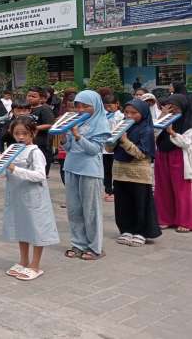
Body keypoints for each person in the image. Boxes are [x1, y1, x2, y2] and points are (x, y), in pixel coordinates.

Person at [1, 116, 59, 281]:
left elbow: (40, 175)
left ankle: (35, 264)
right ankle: (23, 260)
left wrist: (14, 169)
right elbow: (6, 169)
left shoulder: (35, 152)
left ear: (32, 133)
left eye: (24, 133)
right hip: (18, 196)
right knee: (22, 227)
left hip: (34, 198)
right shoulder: (12, 149)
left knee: (36, 228)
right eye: (17, 133)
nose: (20, 137)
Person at [62, 90, 110, 261]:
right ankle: (78, 244)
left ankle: (95, 247)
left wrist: (77, 135)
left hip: (90, 170)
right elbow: (67, 148)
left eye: (85, 106)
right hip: (71, 168)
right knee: (74, 210)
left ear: (95, 106)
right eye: (78, 106)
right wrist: (63, 136)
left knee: (90, 210)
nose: (81, 109)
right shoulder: (74, 121)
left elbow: (94, 150)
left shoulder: (101, 123)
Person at [109, 99, 161, 246]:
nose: (129, 115)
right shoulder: (121, 126)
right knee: (122, 204)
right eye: (126, 112)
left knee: (140, 204)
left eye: (134, 113)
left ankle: (141, 232)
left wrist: (124, 140)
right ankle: (126, 229)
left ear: (143, 113)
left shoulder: (147, 130)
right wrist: (113, 138)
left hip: (138, 174)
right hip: (120, 171)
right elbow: (108, 149)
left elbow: (141, 154)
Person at [155, 94, 192, 233]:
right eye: (169, 107)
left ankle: (185, 221)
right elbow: (152, 134)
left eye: (175, 107)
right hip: (162, 155)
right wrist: (162, 117)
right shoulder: (164, 118)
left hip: (179, 158)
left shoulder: (188, 123)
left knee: (181, 190)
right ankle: (165, 219)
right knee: (163, 188)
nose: (173, 110)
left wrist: (171, 132)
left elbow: (186, 143)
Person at [27, 87, 56, 176]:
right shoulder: (26, 108)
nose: (30, 98)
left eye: (33, 96)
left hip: (42, 142)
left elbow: (50, 124)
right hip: (28, 142)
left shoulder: (45, 109)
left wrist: (35, 128)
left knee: (40, 169)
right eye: (28, 96)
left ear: (42, 98)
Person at [102, 94, 124, 202]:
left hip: (116, 146)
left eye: (110, 106)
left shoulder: (121, 116)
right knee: (106, 170)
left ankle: (115, 191)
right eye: (106, 106)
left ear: (117, 104)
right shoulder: (103, 116)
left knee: (115, 170)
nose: (108, 108)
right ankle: (108, 190)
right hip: (104, 147)